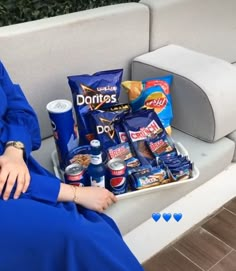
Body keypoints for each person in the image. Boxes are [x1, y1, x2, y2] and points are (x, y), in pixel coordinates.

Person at [0, 61, 144, 271]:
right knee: (78, 233)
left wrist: (15, 147)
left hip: (19, 166)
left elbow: (19, 109)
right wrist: (76, 193)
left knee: (89, 232)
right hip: (10, 189)